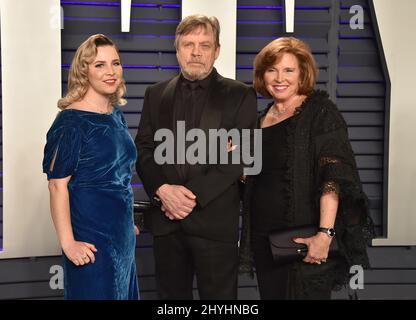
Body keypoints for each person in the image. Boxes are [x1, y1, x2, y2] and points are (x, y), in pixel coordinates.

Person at [239, 37, 374, 299]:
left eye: (289, 70)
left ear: (303, 74)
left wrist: (324, 235)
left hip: (304, 239)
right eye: (272, 70)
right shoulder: (259, 120)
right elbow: (256, 178)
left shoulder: (320, 112)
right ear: (262, 75)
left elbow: (333, 177)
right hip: (265, 240)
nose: (280, 78)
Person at [135, 15, 257, 299]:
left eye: (205, 44)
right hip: (167, 222)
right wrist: (164, 190)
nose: (196, 52)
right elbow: (143, 150)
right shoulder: (155, 94)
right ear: (177, 49)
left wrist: (187, 197)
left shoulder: (241, 94)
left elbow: (242, 154)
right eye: (188, 44)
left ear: (217, 51)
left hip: (214, 223)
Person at [43, 34, 139, 300]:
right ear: (83, 71)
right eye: (99, 65)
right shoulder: (71, 123)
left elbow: (117, 175)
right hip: (91, 241)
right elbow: (56, 185)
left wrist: (125, 223)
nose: (110, 72)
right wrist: (68, 243)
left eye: (115, 63)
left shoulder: (114, 114)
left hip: (121, 239)